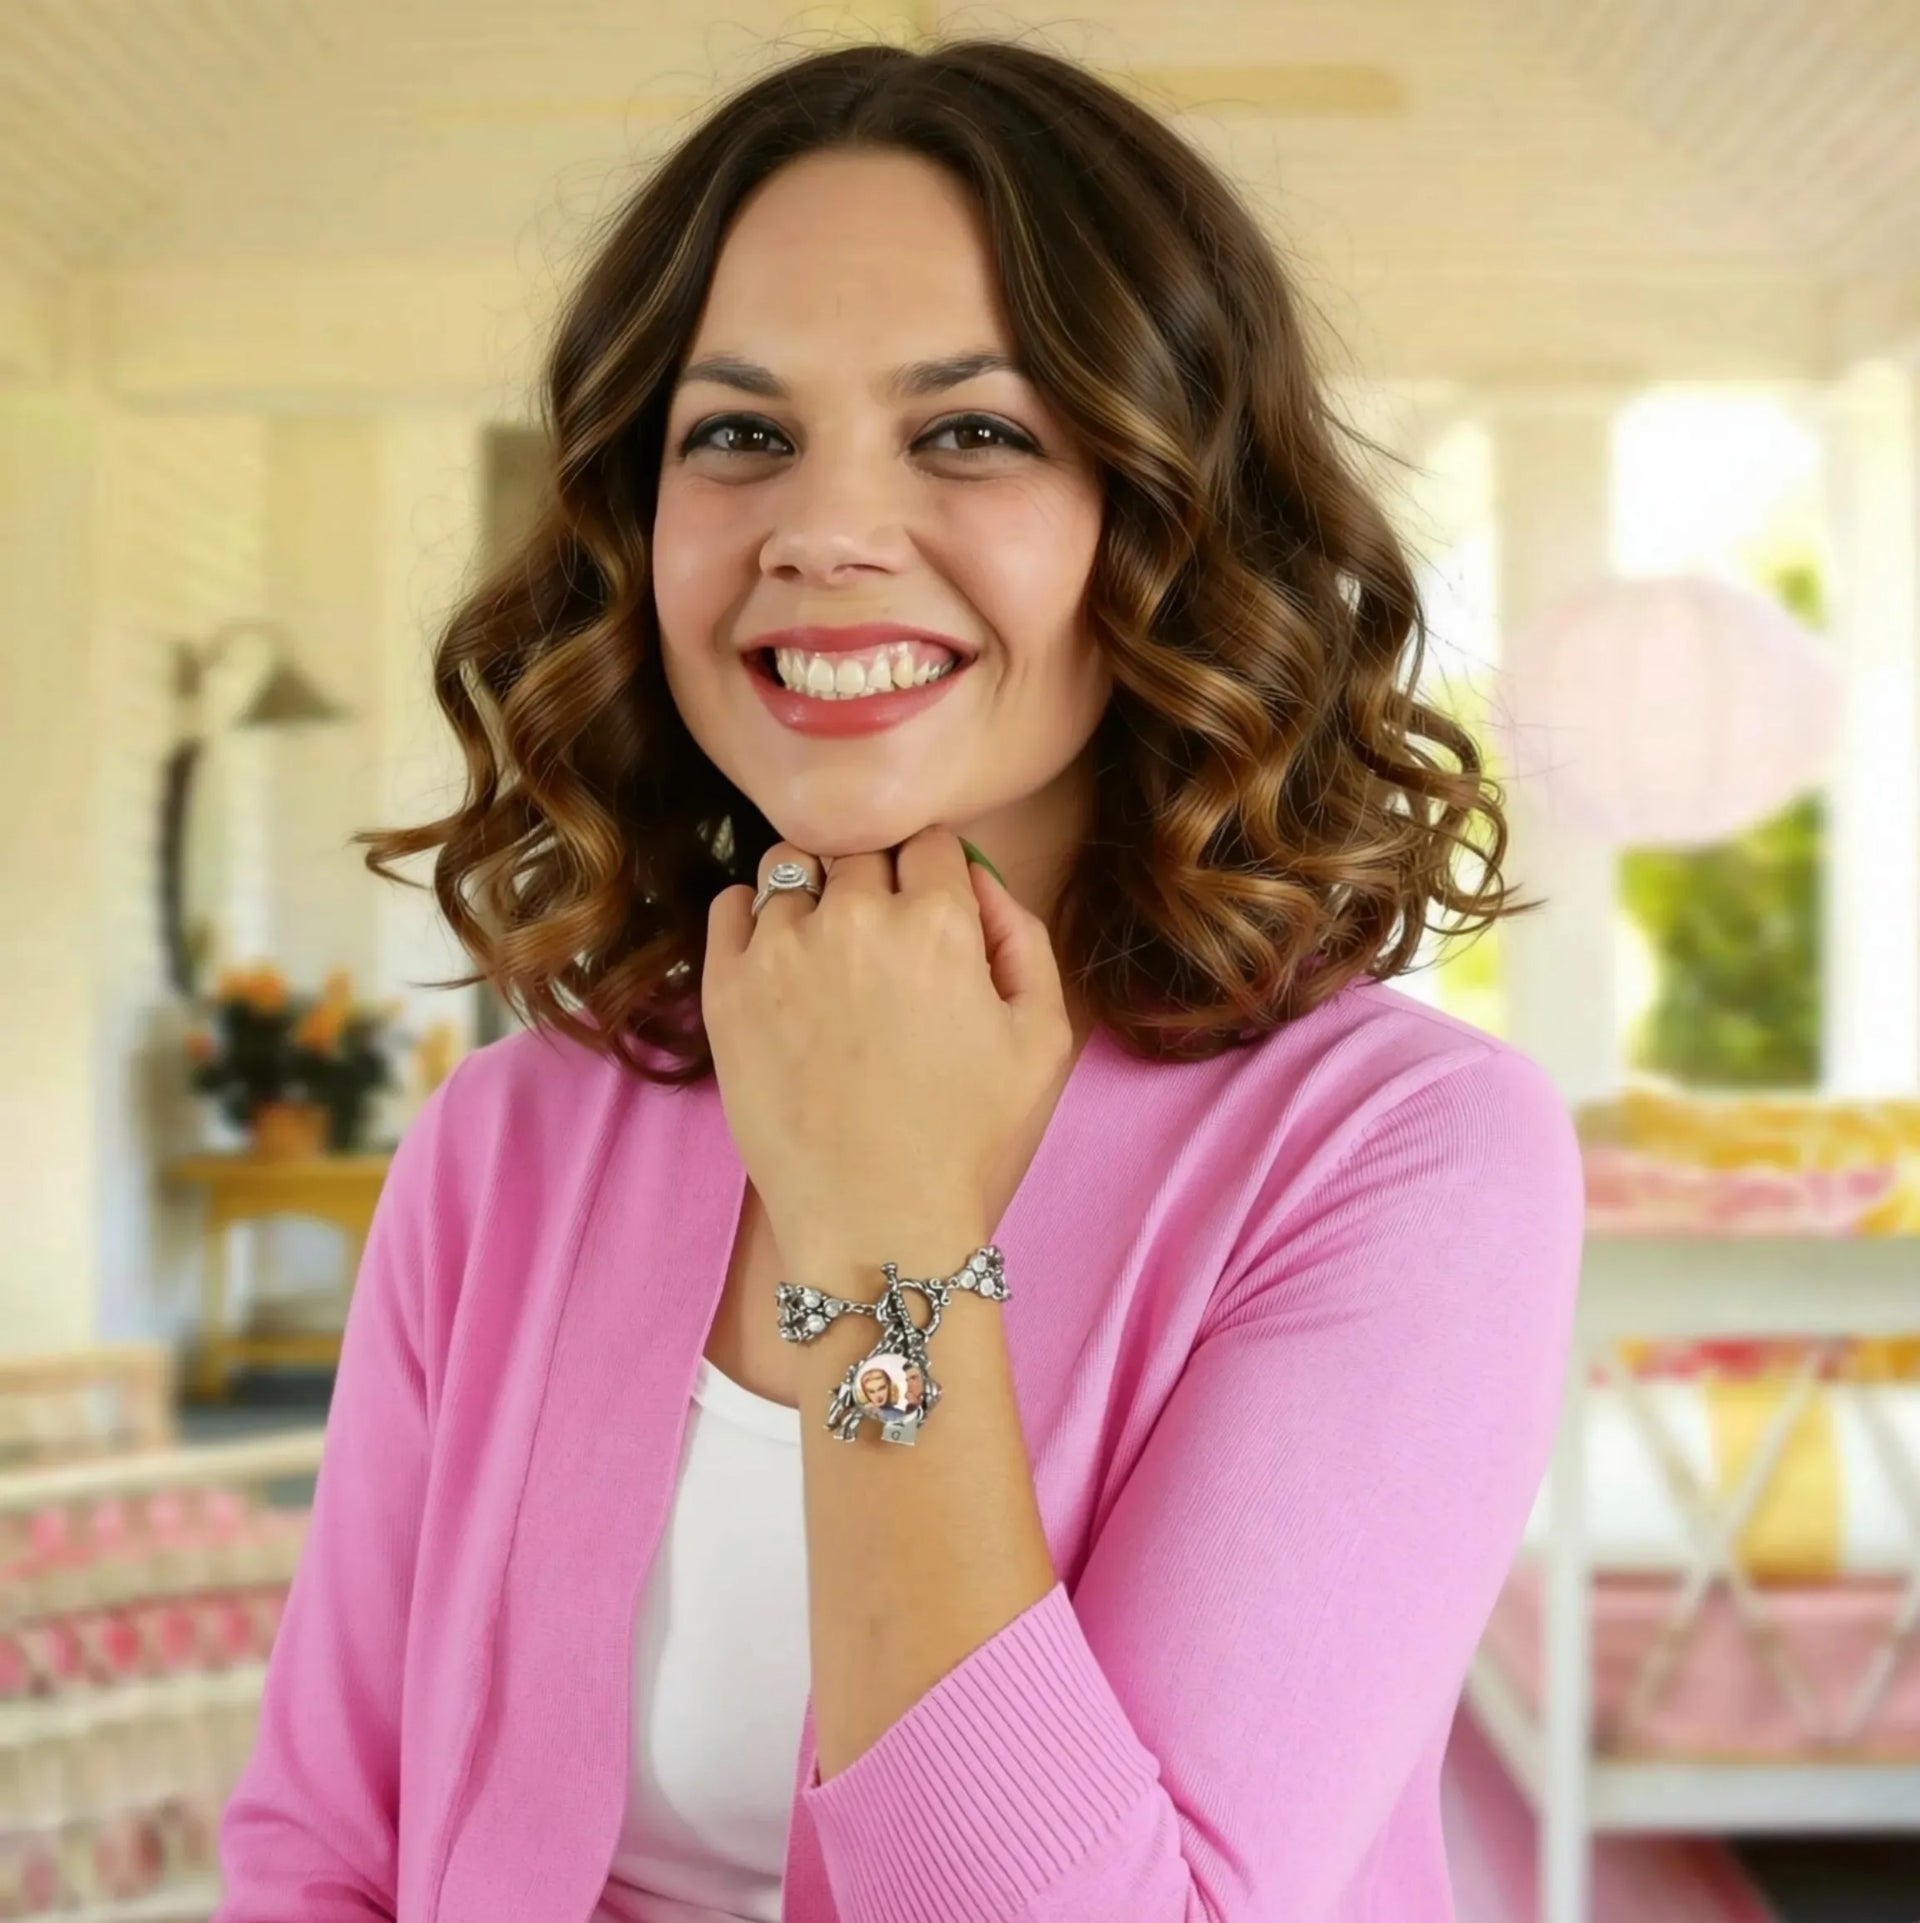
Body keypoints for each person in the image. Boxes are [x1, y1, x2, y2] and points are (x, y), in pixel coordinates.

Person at [211, 35, 1585, 1923]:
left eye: (974, 431)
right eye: (740, 434)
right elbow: (324, 1853)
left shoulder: (1400, 1159)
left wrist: (884, 1241)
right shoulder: (512, 1140)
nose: (824, 533)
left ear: (1169, 516)